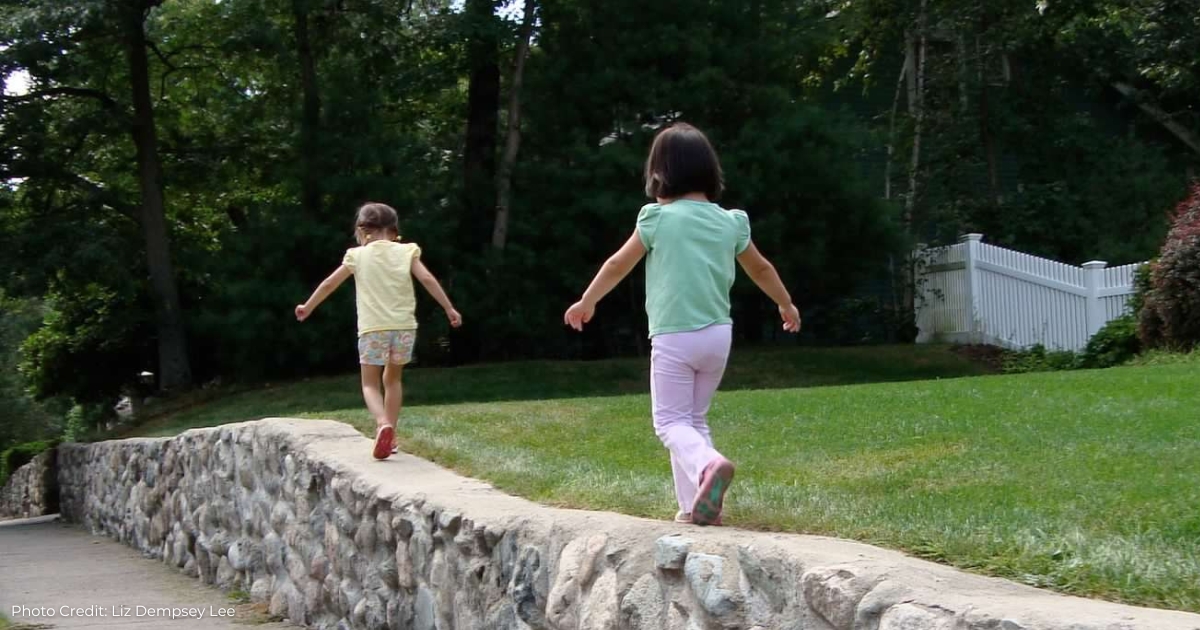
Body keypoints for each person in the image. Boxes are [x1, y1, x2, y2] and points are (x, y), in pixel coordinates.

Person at [564, 123, 801, 526]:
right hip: (718, 336)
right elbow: (760, 268)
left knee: (670, 422)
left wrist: (588, 300)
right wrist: (785, 303)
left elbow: (618, 263)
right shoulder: (731, 222)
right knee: (692, 420)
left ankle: (709, 465)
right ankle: (695, 507)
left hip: (675, 334)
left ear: (659, 174)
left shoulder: (657, 219)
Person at [296, 202, 462, 460]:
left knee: (370, 384)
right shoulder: (407, 251)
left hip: (373, 329)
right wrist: (449, 308)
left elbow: (330, 283)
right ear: (394, 230)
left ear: (362, 231)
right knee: (393, 380)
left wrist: (308, 306)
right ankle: (391, 436)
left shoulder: (357, 255)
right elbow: (428, 279)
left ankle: (382, 423)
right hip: (404, 327)